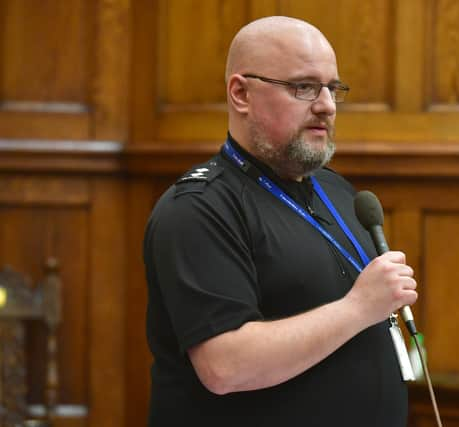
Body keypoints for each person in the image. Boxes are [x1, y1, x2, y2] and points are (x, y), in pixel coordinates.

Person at [143, 16, 418, 426]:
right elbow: (225, 365)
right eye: (303, 87)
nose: (326, 105)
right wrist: (360, 307)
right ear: (241, 93)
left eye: (332, 88)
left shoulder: (338, 191)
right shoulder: (199, 208)